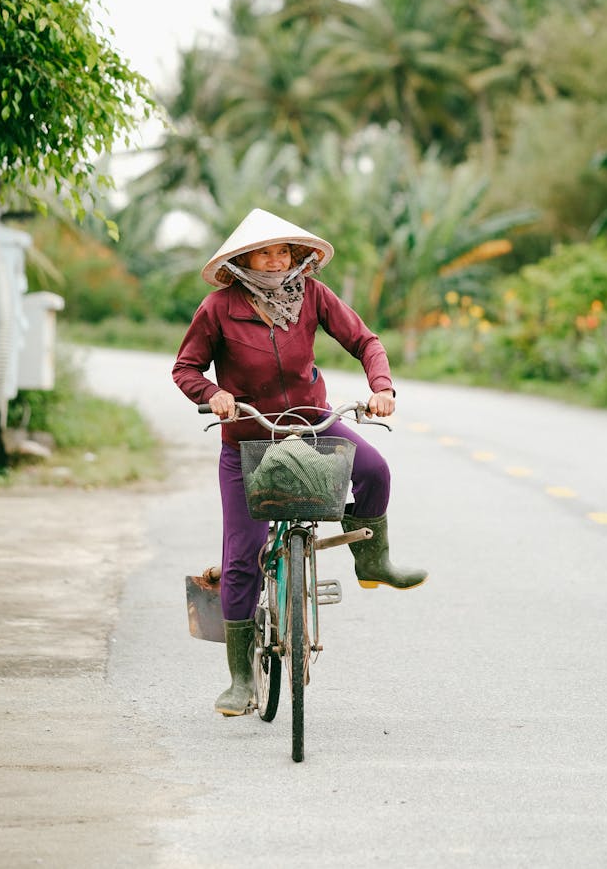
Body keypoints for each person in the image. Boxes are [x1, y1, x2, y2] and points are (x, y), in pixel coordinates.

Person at [172, 208, 427, 716]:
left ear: (296, 256)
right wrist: (214, 393)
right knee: (242, 558)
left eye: (283, 251)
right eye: (264, 252)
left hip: (310, 424)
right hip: (248, 438)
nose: (275, 260)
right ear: (243, 259)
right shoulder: (218, 308)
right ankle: (241, 680)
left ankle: (372, 561)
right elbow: (185, 368)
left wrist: (382, 387)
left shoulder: (311, 294)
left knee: (375, 469)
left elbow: (365, 340)